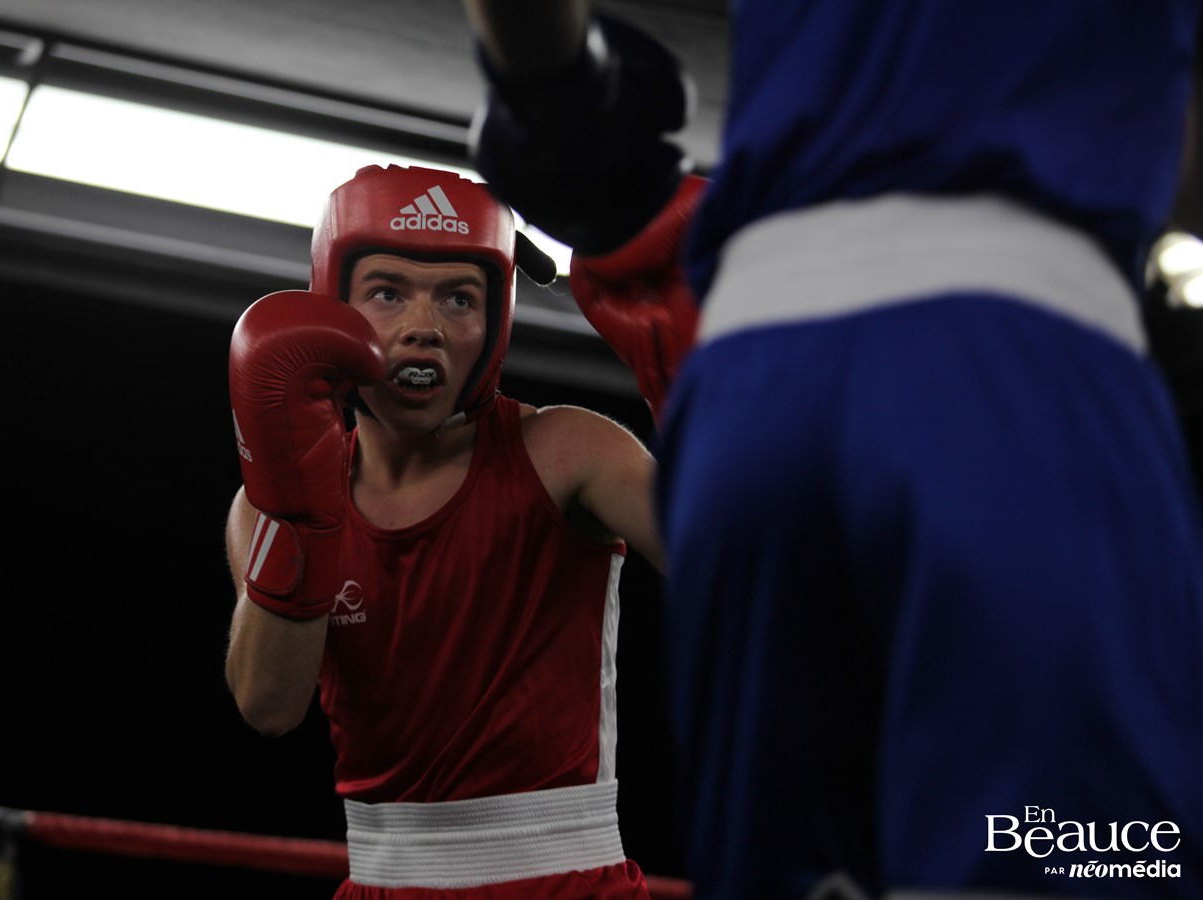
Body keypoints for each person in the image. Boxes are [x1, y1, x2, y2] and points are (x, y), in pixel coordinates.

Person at [460, 2, 1203, 899]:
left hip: (753, 377)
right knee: (1086, 859)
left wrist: (552, 90)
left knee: (793, 873)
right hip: (1013, 350)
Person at [222, 162, 666, 899]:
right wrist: (302, 519)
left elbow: (750, 577)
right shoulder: (265, 506)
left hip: (563, 882)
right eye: (387, 293)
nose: (423, 327)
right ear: (331, 310)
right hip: (380, 882)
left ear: (495, 324)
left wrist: (701, 387)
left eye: (459, 298)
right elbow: (269, 705)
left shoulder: (567, 451)